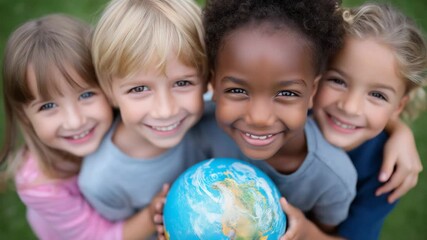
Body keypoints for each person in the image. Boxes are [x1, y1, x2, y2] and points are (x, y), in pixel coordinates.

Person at [78, 0, 241, 232]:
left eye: (182, 83)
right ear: (109, 92)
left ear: (206, 81)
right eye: (139, 89)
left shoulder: (223, 119)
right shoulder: (102, 181)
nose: (166, 110)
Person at [0, 14, 164, 240]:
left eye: (86, 94)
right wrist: (152, 214)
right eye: (48, 105)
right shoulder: (41, 185)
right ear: (24, 116)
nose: (74, 121)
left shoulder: (128, 118)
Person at [203, 0, 358, 235]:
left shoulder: (332, 179)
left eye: (287, 93)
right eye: (237, 90)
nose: (259, 118)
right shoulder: (196, 124)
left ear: (313, 92)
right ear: (213, 85)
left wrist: (308, 234)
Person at [280, 3, 427, 240]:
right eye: (338, 81)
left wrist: (306, 233)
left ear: (398, 106)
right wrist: (399, 129)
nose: (349, 107)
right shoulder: (291, 109)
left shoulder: (387, 170)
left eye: (377, 95)